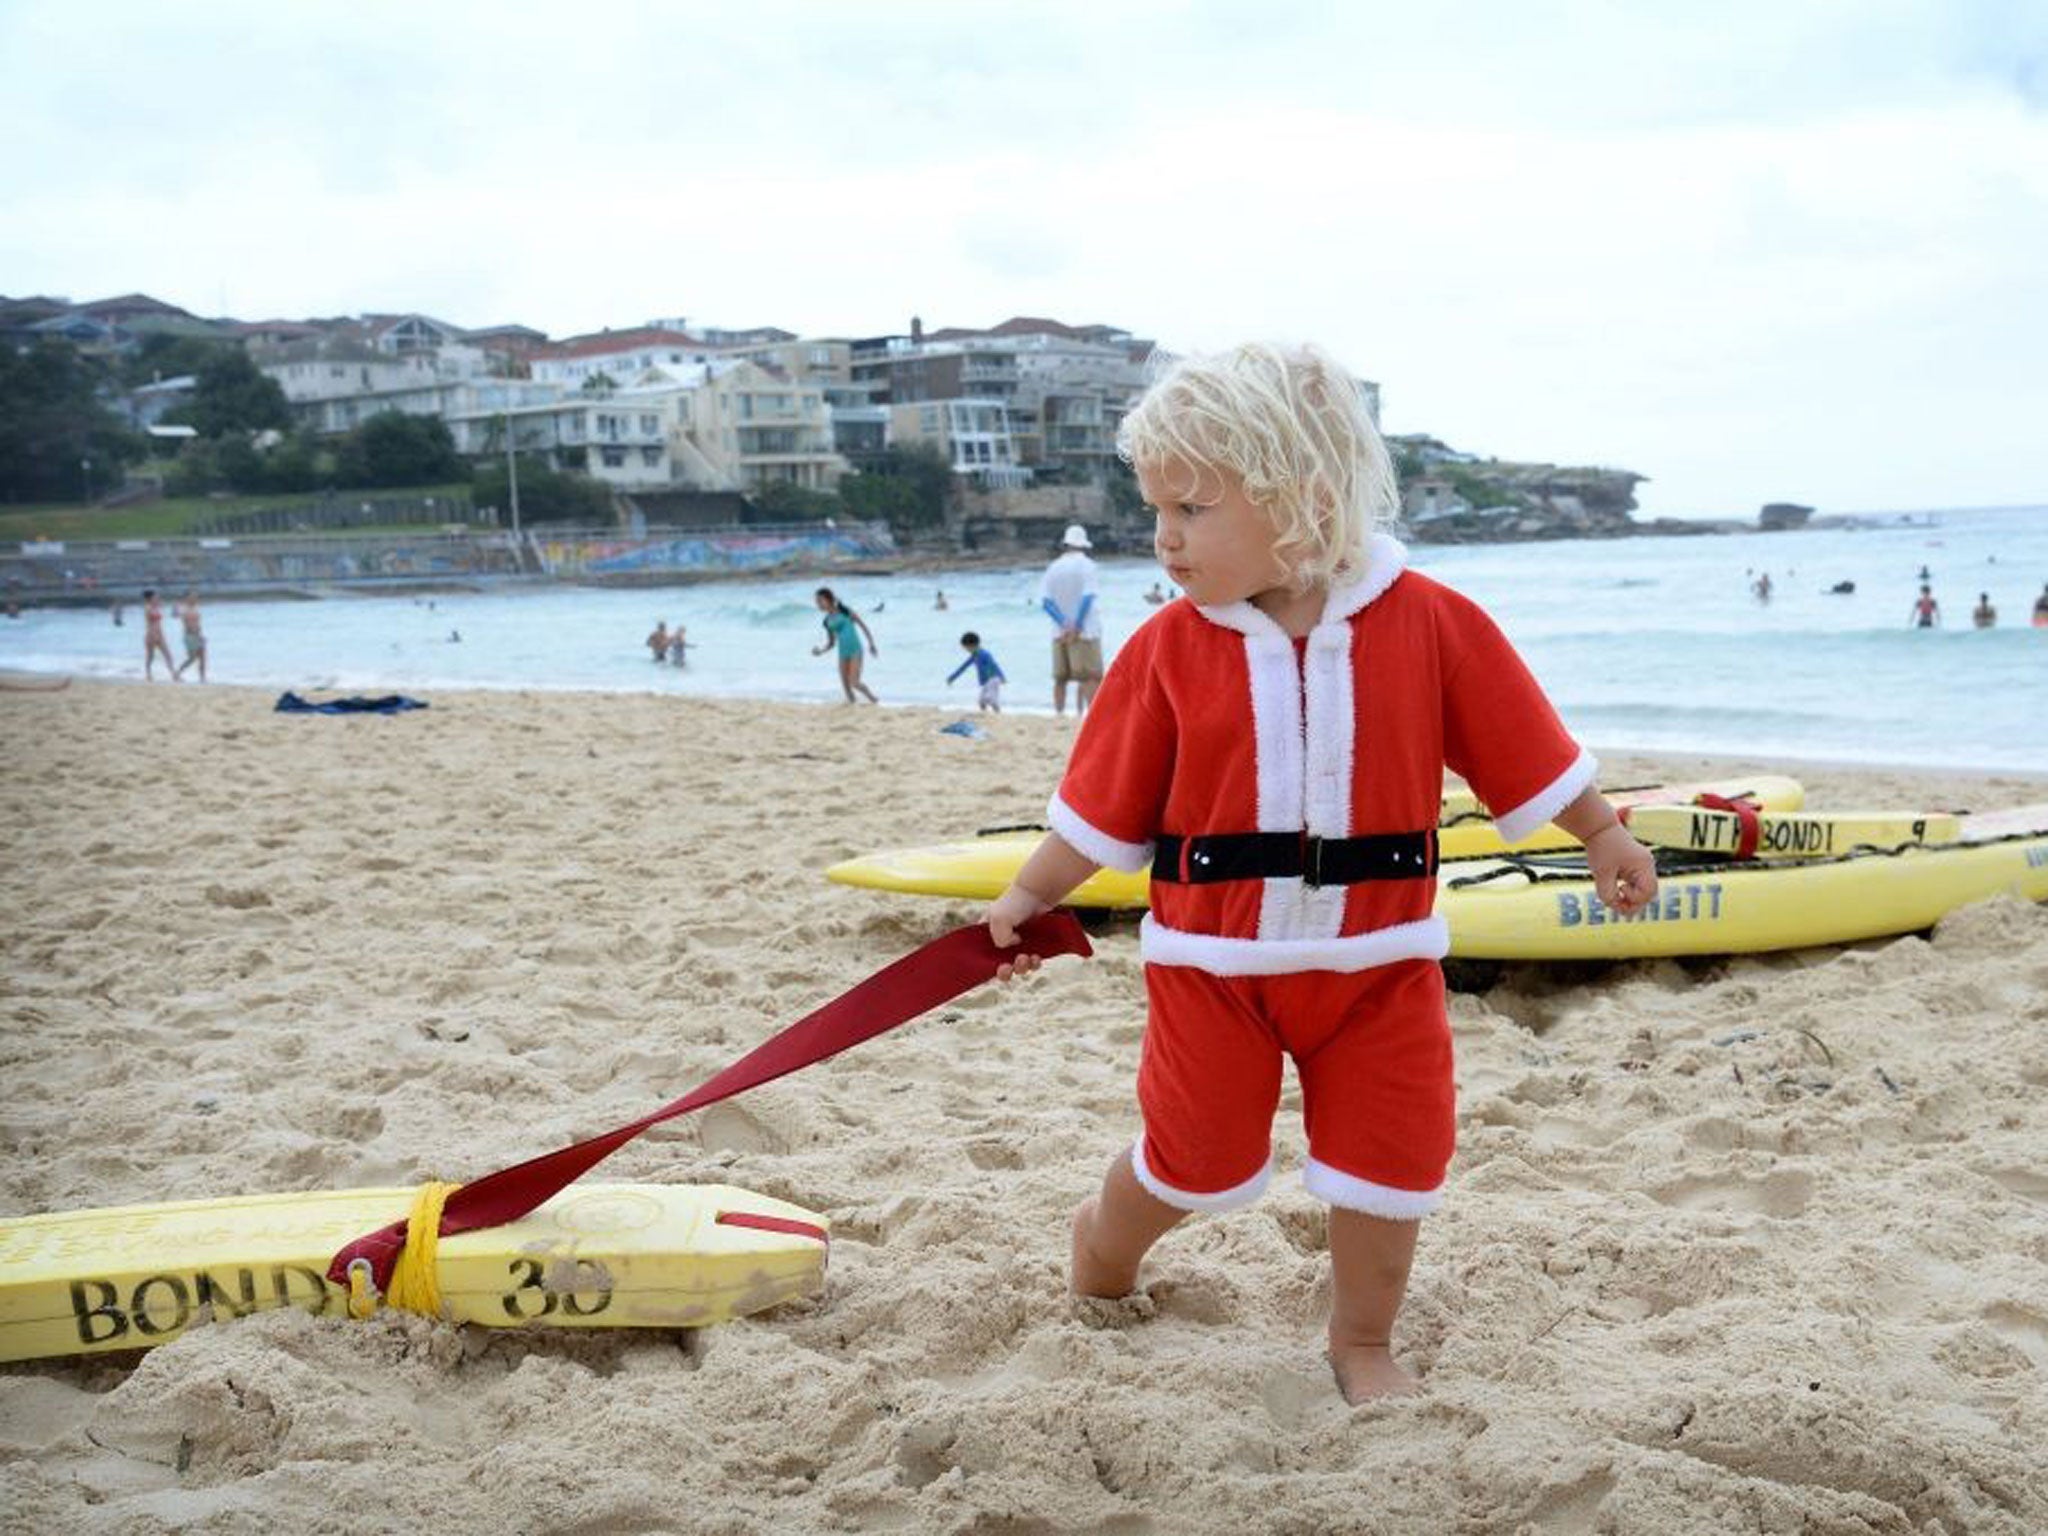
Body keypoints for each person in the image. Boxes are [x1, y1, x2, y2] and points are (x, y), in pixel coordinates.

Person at [983, 342, 1658, 1404]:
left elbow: (1519, 745)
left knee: (1392, 1159)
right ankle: (1101, 1248)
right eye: (1154, 509)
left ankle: (1361, 1341)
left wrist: (1600, 831)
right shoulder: (1164, 649)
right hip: (1212, 968)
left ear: (1298, 499)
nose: (1162, 537)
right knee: (1193, 1158)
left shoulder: (1431, 623)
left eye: (1191, 509)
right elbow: (1098, 804)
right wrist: (1028, 896)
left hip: (1379, 963)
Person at [1041, 523, 1103, 716]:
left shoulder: (1053, 567)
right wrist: (1076, 625)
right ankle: (1092, 715)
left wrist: (1063, 623)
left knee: (1060, 678)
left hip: (1058, 632)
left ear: (1066, 544)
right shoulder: (1088, 566)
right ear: (1083, 545)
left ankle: (1059, 714)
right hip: (1085, 631)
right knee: (1090, 677)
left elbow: (1046, 602)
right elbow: (1088, 597)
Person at [812, 586, 879, 703]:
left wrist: (871, 643)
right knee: (846, 686)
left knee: (854, 682)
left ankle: (873, 699)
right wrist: (821, 651)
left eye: (820, 600)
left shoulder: (845, 611)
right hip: (843, 653)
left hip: (855, 650)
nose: (818, 604)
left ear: (829, 599)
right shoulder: (826, 621)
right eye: (817, 602)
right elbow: (832, 643)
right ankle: (852, 707)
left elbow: (863, 626)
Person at [947, 630, 1008, 712]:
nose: (966, 650)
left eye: (966, 648)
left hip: (993, 679)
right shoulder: (974, 656)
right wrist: (952, 677)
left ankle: (998, 713)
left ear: (972, 645)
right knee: (981, 701)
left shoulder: (985, 654)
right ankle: (985, 714)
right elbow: (963, 667)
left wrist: (1002, 677)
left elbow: (994, 665)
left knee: (991, 699)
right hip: (986, 681)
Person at [141, 589, 178, 681]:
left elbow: (170, 610)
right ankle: (148, 673)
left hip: (160, 635)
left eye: (157, 596)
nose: (157, 598)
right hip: (151, 635)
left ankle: (174, 675)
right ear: (150, 598)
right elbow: (149, 623)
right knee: (150, 656)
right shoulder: (147, 608)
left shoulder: (156, 607)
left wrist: (175, 607)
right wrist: (153, 635)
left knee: (168, 655)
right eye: (155, 597)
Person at [172, 590, 208, 682]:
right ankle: (177, 673)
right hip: (189, 636)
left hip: (198, 635)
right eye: (192, 597)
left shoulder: (196, 608)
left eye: (195, 597)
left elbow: (198, 623)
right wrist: (175, 607)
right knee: (192, 658)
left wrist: (201, 635)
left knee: (203, 656)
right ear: (187, 598)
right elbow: (174, 615)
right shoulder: (184, 609)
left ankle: (202, 677)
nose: (195, 598)